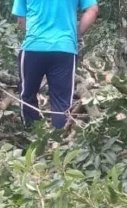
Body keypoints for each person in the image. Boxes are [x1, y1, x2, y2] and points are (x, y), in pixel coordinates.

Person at [12, 0, 99, 130]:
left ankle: (32, 135)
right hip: (64, 49)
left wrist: (34, 36)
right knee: (62, 102)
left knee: (27, 95)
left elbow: (21, 19)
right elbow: (93, 10)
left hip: (33, 47)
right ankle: (60, 141)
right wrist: (76, 34)